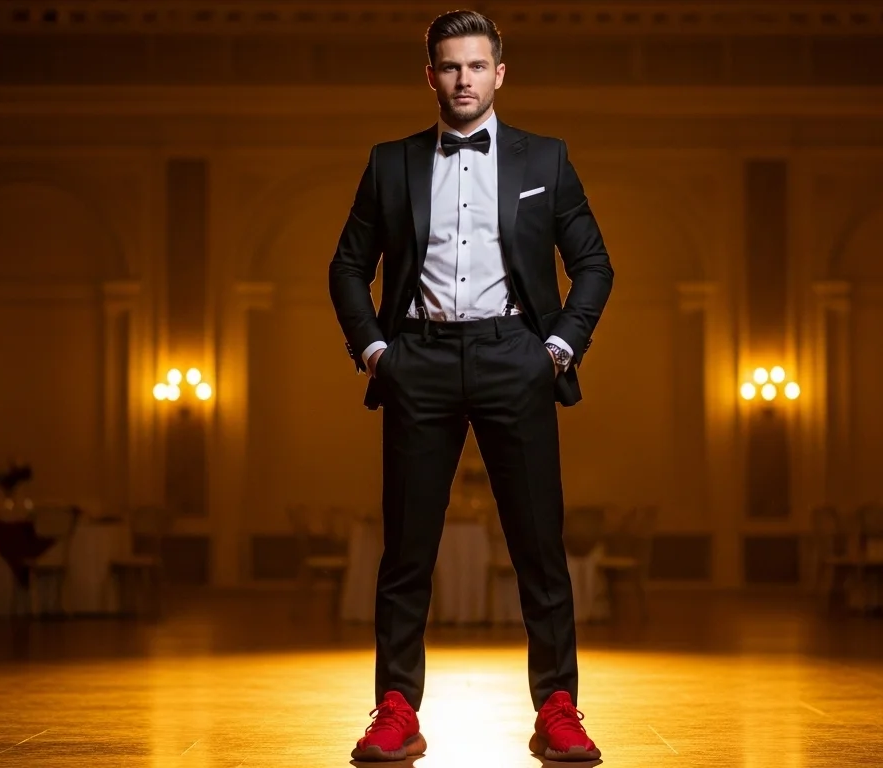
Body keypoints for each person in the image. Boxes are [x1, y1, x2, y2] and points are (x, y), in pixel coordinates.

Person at [327, 8, 613, 763]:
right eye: (449, 67)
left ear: (499, 73)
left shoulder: (545, 160)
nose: (463, 79)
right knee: (407, 551)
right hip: (416, 358)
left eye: (476, 66)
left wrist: (556, 348)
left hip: (513, 355)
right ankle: (395, 708)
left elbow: (594, 263)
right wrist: (376, 352)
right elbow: (347, 267)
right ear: (430, 75)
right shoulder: (390, 163)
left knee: (538, 546)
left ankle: (558, 706)